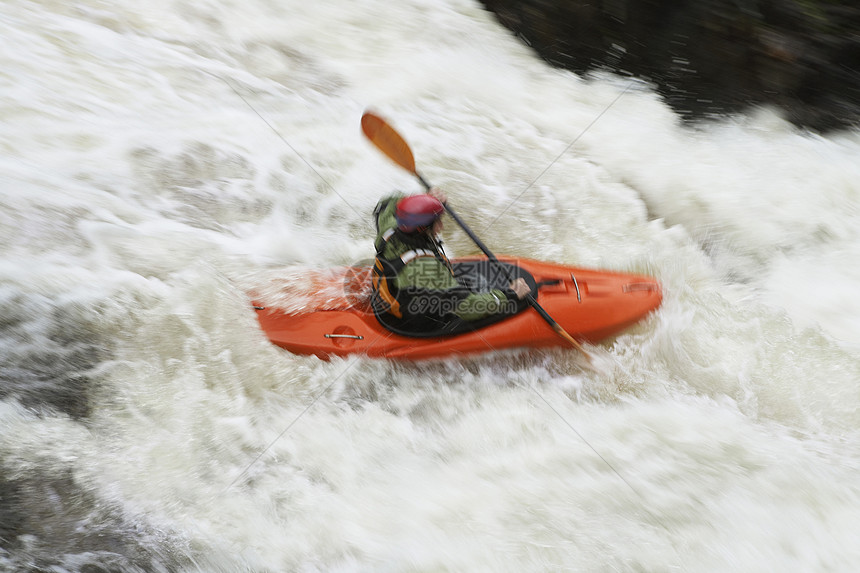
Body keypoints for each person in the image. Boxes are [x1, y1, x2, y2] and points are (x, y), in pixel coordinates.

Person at [371, 188, 531, 335]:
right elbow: (469, 308)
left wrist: (424, 200)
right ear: (421, 228)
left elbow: (385, 204)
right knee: (470, 306)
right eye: (437, 222)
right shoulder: (426, 269)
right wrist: (508, 295)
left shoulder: (389, 228)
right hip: (416, 321)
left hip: (397, 292)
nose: (440, 227)